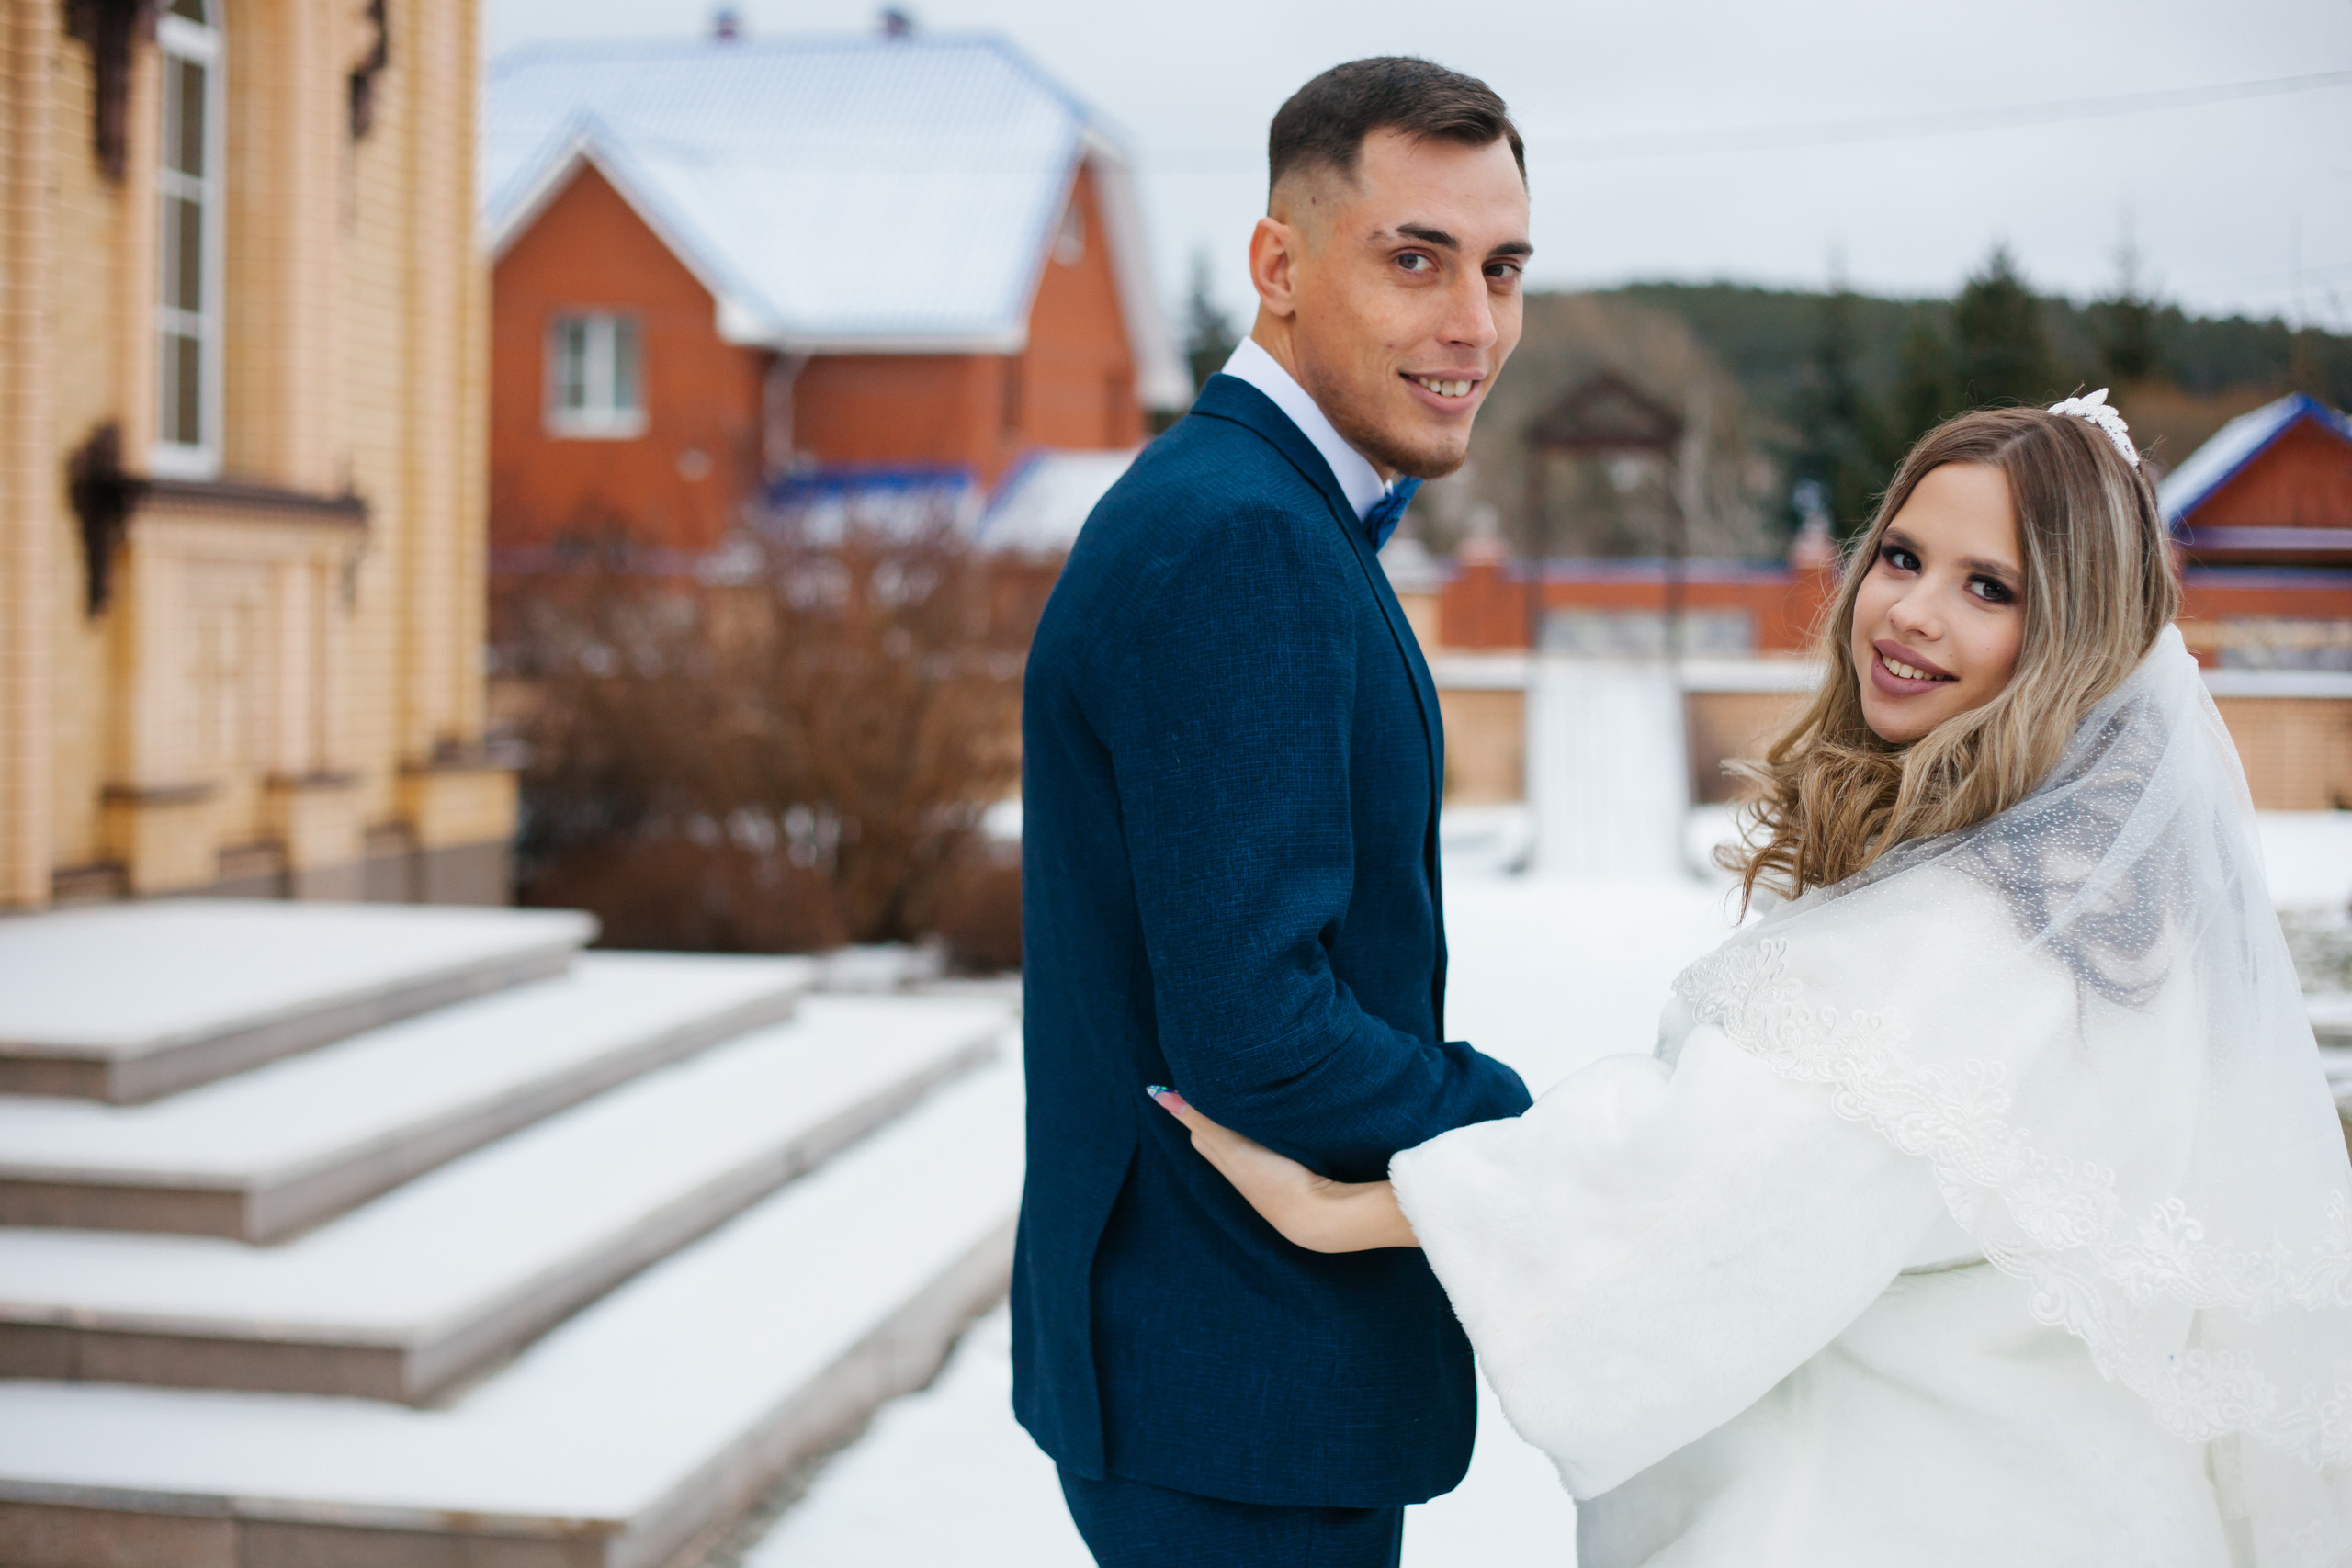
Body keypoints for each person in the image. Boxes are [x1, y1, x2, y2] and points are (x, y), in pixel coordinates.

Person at [1160, 392, 2352, 1566]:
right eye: (1901, 556)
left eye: (1990, 588)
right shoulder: (2120, 917)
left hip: (1898, 1512)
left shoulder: (1956, 938)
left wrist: (1349, 1209)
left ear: (2079, 638)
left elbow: (1696, 1186)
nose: (1911, 612)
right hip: (2100, 1502)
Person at [1012, 57, 1539, 1568]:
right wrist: (1524, 1135)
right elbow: (1260, 1026)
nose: (1474, 325)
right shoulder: (1241, 540)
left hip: (1222, 1383)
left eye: (1502, 270)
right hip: (1231, 1391)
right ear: (1278, 265)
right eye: (1415, 259)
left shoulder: (1252, 508)